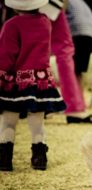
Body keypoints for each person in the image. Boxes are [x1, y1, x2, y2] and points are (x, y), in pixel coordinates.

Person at [0, 0, 66, 171]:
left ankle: (4, 159)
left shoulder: (11, 25)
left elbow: (6, 55)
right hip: (41, 81)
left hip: (15, 83)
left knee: (8, 121)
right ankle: (39, 158)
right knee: (37, 123)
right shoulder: (45, 22)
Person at [39, 0, 92, 124]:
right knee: (70, 62)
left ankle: (72, 105)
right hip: (88, 31)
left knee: (39, 49)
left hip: (78, 30)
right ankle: (75, 106)